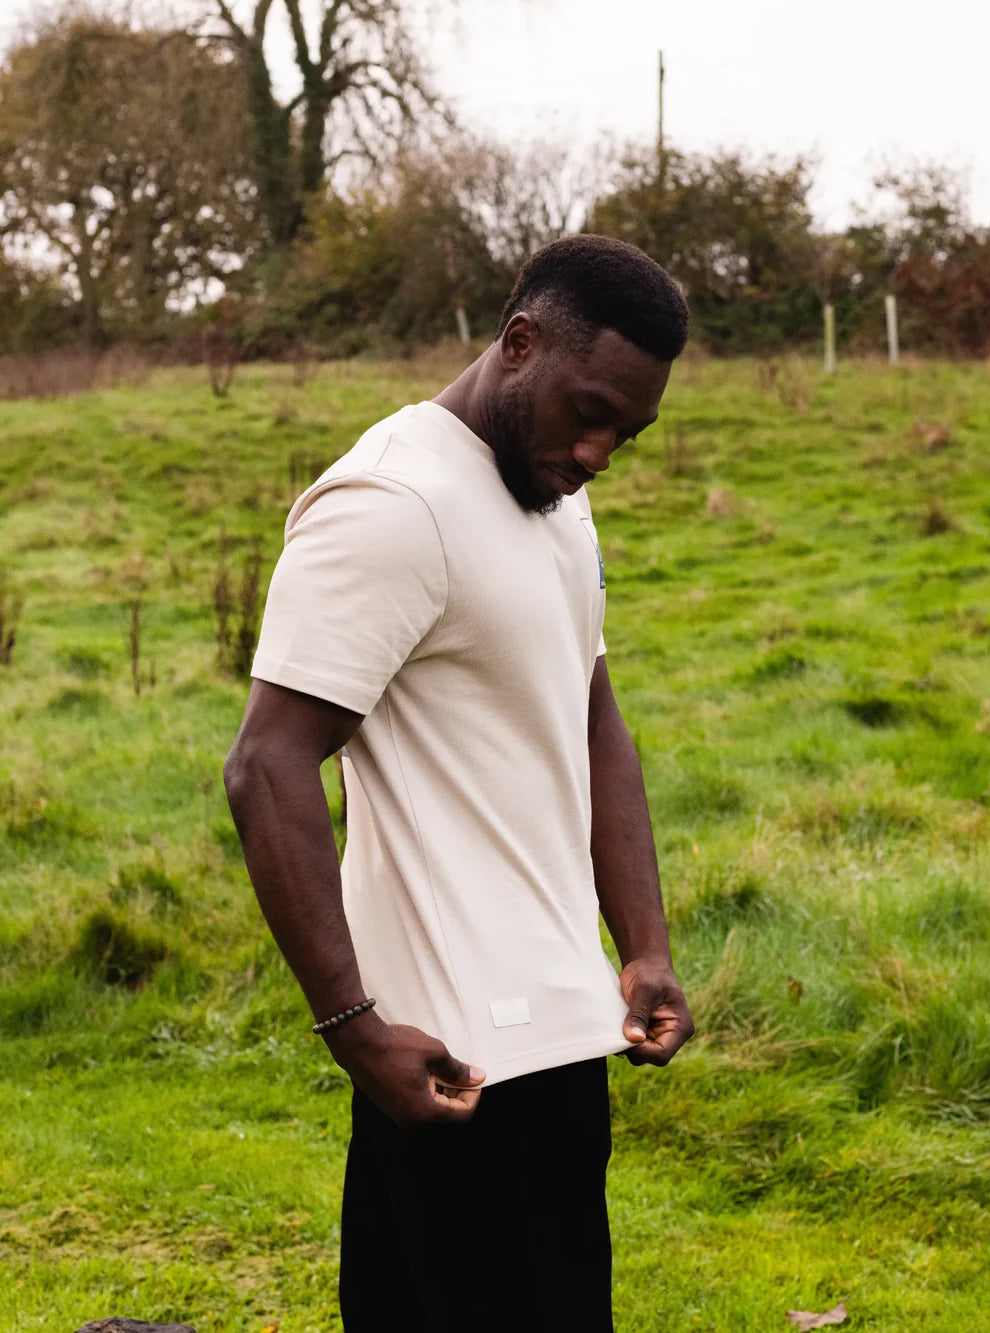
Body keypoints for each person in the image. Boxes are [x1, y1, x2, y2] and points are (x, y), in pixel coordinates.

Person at [224, 234, 695, 1332]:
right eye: (588, 413)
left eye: (627, 431)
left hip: (558, 1032)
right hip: (456, 1058)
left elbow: (590, 716)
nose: (600, 451)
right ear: (517, 343)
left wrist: (643, 942)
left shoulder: (551, 495)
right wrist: (352, 1027)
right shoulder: (395, 503)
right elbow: (266, 762)